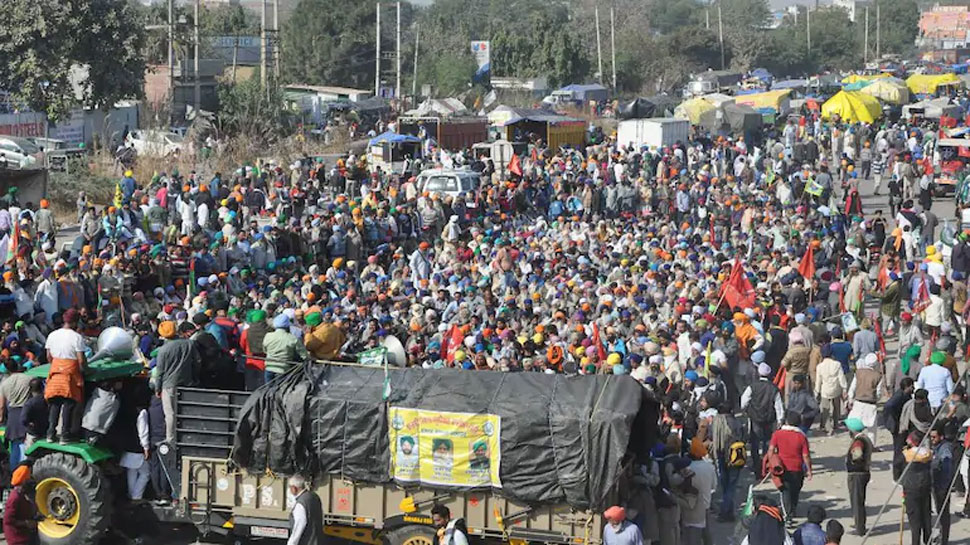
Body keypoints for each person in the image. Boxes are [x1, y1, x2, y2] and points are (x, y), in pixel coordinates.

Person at [44, 308, 86, 443]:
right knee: (69, 404)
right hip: (70, 374)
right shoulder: (77, 337)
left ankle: (50, 433)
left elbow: (48, 356)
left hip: (55, 372)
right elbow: (81, 360)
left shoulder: (52, 335)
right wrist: (85, 369)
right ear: (75, 322)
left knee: (55, 403)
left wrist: (57, 364)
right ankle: (64, 434)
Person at [154, 320, 201, 443]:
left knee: (170, 414)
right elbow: (197, 362)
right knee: (186, 411)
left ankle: (170, 439)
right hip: (187, 383)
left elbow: (159, 372)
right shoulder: (189, 344)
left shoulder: (163, 350)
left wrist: (157, 389)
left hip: (169, 385)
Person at [769, 411, 813, 522]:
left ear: (787, 421)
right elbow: (806, 455)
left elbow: (771, 450)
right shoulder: (801, 436)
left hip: (783, 468)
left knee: (785, 491)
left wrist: (771, 463)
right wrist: (809, 470)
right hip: (797, 469)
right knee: (795, 490)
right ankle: (792, 509)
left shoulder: (777, 434)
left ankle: (788, 514)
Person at [741, 362, 784, 475]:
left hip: (755, 418)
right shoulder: (774, 388)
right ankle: (765, 465)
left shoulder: (752, 386)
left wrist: (746, 410)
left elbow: (744, 401)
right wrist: (780, 420)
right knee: (767, 443)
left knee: (755, 443)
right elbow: (778, 406)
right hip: (769, 419)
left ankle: (756, 466)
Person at [902, 431, 934, 545]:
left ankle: (915, 542)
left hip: (911, 488)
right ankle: (928, 541)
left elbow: (899, 470)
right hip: (925, 486)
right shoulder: (928, 453)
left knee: (914, 520)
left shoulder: (907, 454)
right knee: (926, 516)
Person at [683, 438, 716, 545]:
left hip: (693, 505)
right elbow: (714, 486)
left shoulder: (688, 468)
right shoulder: (710, 467)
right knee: (707, 534)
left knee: (693, 536)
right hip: (706, 504)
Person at [0, 358, 32, 465]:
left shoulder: (4, 384)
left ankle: (14, 472)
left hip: (12, 416)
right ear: (17, 365)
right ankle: (23, 472)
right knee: (25, 444)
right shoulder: (28, 378)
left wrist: (1, 418)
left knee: (15, 445)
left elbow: (1, 406)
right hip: (26, 412)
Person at [844, 418, 873, 536]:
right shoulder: (865, 438)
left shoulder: (858, 441)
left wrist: (854, 460)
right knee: (859, 500)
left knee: (857, 502)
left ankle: (860, 528)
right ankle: (859, 523)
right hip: (863, 473)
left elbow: (858, 454)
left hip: (857, 474)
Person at [847, 353, 882, 446]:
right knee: (872, 428)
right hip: (871, 404)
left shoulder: (859, 372)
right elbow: (878, 393)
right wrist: (876, 399)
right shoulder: (878, 375)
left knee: (854, 424)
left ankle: (856, 440)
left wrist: (850, 399)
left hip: (858, 402)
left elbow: (852, 387)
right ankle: (871, 445)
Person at [814, 345, 847, 435]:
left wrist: (817, 391)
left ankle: (828, 427)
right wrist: (844, 388)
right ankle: (836, 424)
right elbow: (841, 377)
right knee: (836, 407)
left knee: (825, 410)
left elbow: (818, 381)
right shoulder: (837, 364)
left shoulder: (820, 366)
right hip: (836, 389)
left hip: (825, 390)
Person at [930, 424, 954, 545]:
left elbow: (947, 468)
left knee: (943, 514)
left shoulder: (945, 449)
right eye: (931, 437)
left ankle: (944, 540)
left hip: (941, 486)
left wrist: (944, 488)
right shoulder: (935, 446)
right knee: (939, 512)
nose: (932, 440)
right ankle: (940, 535)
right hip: (935, 484)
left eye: (934, 437)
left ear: (941, 436)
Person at [3, 465, 38, 545]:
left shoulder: (21, 494)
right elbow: (8, 520)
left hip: (24, 535)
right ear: (23, 481)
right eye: (28, 479)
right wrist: (26, 523)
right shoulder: (14, 498)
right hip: (17, 538)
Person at [286, 475, 322, 545]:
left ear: (294, 488)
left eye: (290, 488)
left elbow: (299, 527)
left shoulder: (301, 503)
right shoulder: (314, 496)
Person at [21, 377, 47, 447]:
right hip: (45, 431)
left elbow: (23, 419)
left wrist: (29, 424)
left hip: (33, 433)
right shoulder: (47, 401)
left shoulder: (29, 403)